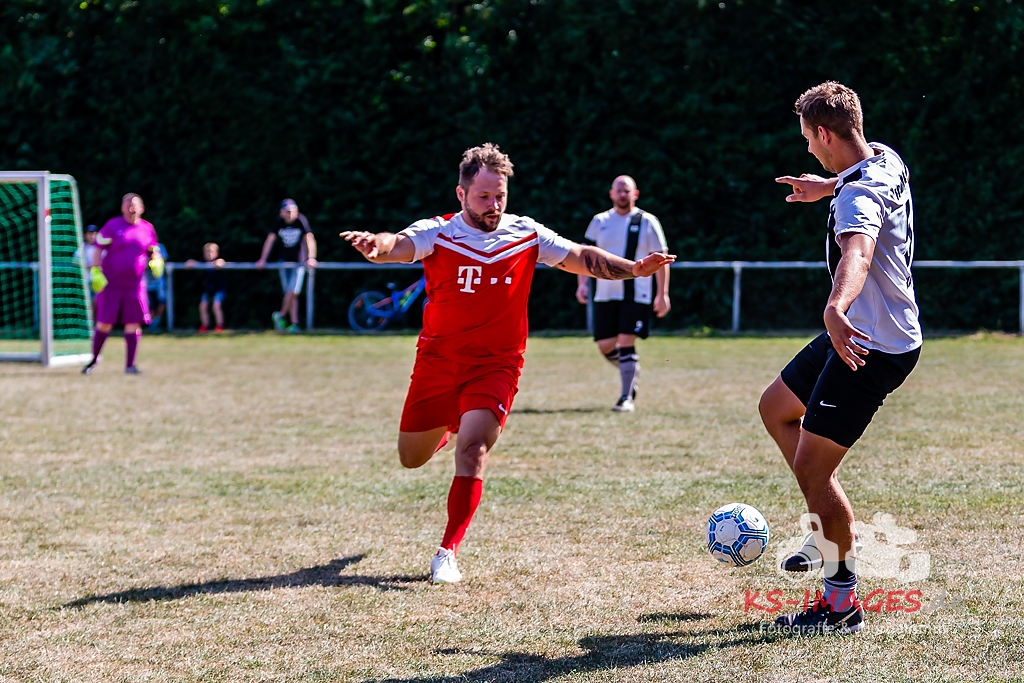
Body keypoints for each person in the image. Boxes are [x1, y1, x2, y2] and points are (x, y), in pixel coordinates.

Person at [340, 143, 675, 584]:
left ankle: (447, 552)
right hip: (438, 363)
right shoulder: (437, 232)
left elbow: (580, 257)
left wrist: (634, 268)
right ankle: (451, 427)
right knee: (411, 458)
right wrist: (376, 246)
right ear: (461, 194)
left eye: (500, 195)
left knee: (474, 449)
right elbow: (397, 244)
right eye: (483, 196)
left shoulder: (525, 233)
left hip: (496, 365)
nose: (493, 205)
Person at [760, 82, 921, 634]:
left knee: (813, 468)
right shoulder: (884, 158)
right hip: (867, 330)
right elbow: (861, 186)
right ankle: (823, 526)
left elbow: (859, 251)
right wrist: (824, 186)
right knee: (776, 407)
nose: (807, 147)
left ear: (826, 133)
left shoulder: (857, 199)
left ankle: (841, 602)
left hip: (871, 345)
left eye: (808, 138)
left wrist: (835, 306)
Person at [576, 175, 671, 412]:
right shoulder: (600, 221)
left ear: (635, 194)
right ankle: (630, 372)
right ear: (611, 194)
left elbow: (662, 260)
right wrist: (582, 284)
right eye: (618, 190)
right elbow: (584, 256)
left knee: (626, 340)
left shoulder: (647, 221)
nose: (622, 194)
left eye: (626, 190)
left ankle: (625, 398)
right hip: (605, 292)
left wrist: (662, 294)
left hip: (636, 294)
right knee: (605, 345)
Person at [82, 193, 164, 375]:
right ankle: (93, 361)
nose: (131, 208)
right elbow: (98, 248)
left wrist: (157, 259)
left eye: (135, 205)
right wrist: (95, 270)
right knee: (104, 323)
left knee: (133, 323)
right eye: (128, 205)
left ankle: (130, 365)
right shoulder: (112, 226)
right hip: (111, 285)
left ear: (142, 208)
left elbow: (153, 249)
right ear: (122, 208)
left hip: (135, 286)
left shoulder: (147, 228)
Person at [255, 199, 317, 333]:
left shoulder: (300, 220)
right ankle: (294, 324)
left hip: (299, 262)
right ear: (281, 212)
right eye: (287, 211)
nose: (290, 214)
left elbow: (309, 238)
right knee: (290, 294)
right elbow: (270, 240)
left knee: (293, 291)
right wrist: (263, 259)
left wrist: (311, 257)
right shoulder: (279, 222)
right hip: (283, 262)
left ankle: (281, 315)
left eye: (292, 211)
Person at [185, 242, 227, 333]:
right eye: (207, 252)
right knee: (203, 306)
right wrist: (190, 262)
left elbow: (221, 262)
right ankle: (205, 325)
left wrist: (219, 263)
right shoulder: (204, 263)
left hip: (219, 289)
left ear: (217, 253)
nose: (209, 254)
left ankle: (220, 326)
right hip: (209, 290)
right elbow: (194, 263)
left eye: (211, 251)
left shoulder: (218, 262)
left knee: (216, 305)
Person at [75, 224, 101, 320]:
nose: (92, 236)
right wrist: (90, 266)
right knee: (89, 304)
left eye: (94, 234)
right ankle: (90, 324)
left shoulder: (101, 247)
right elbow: (75, 261)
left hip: (99, 281)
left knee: (98, 303)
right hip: (87, 280)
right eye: (89, 234)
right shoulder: (82, 248)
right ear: (85, 235)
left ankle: (98, 323)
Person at [145, 242, 169, 329]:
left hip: (159, 283)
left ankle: (157, 321)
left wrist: (157, 257)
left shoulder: (160, 246)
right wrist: (149, 259)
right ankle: (151, 324)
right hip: (146, 283)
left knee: (161, 302)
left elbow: (165, 259)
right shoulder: (143, 247)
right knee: (149, 304)